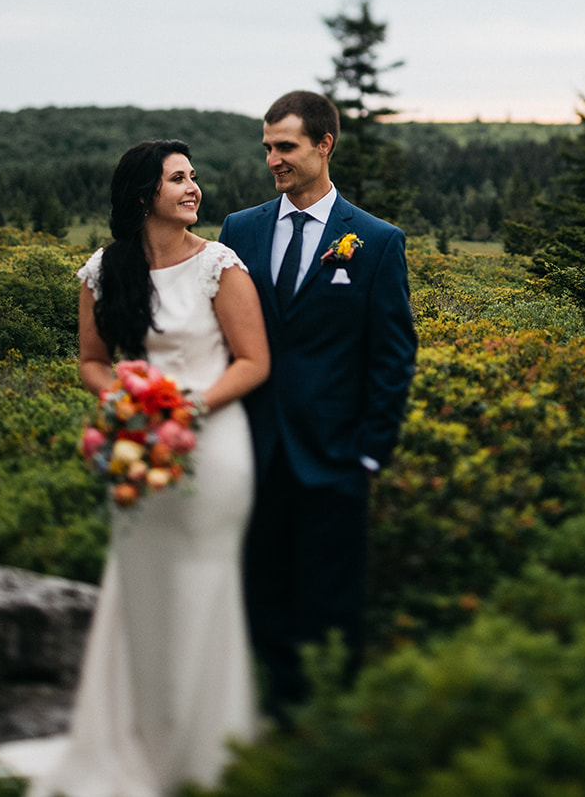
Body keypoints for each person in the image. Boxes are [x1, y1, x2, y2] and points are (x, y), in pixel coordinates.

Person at [0, 139, 270, 797]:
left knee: (203, 588)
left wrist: (189, 403)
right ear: (144, 193)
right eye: (179, 178)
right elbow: (91, 360)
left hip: (215, 447)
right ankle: (133, 743)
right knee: (140, 590)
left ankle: (203, 753)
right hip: (140, 445)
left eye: (194, 177)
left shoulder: (221, 267)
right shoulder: (103, 270)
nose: (193, 187)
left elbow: (254, 361)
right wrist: (125, 397)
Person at [218, 91, 417, 719]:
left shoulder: (376, 241)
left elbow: (392, 356)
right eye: (268, 147)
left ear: (324, 145)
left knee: (332, 606)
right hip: (254, 451)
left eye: (286, 146)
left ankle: (330, 732)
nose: (273, 159)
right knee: (262, 594)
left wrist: (369, 453)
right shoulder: (239, 230)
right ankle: (269, 725)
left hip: (335, 458)